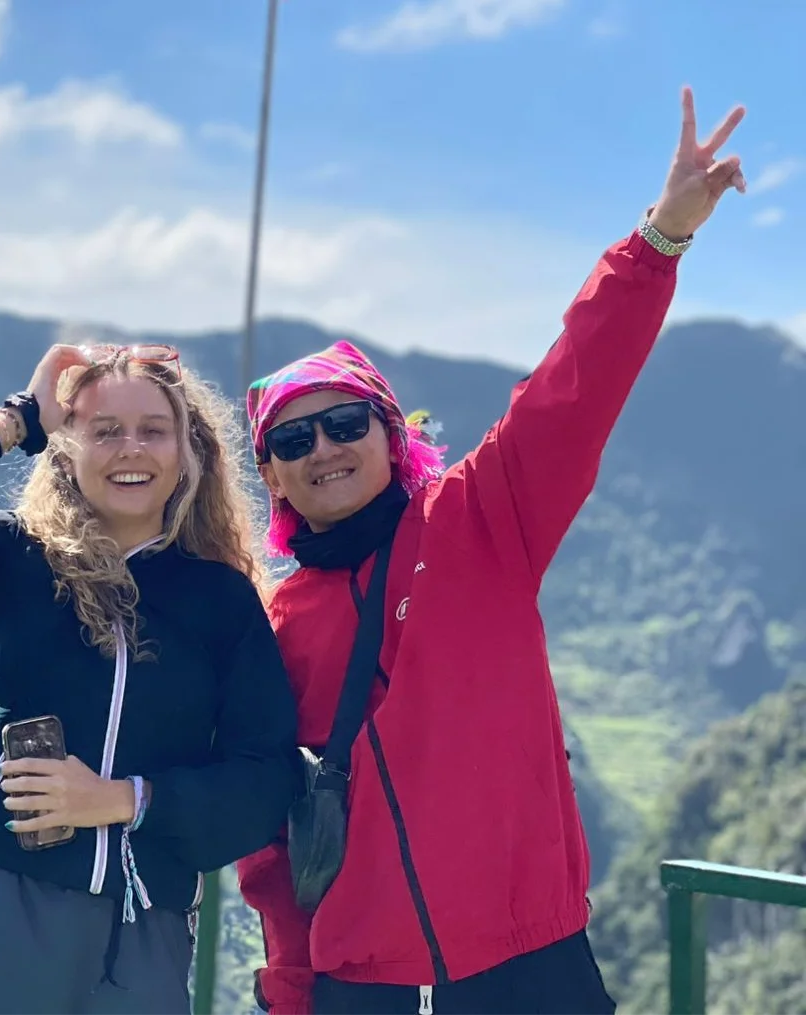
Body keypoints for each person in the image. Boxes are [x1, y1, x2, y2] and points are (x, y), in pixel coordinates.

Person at [235, 86, 746, 1015]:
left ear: (392, 433)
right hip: (361, 986)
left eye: (346, 423)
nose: (324, 449)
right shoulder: (280, 624)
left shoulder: (481, 521)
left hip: (531, 963)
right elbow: (276, 841)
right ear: (270, 473)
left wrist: (659, 239)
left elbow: (571, 390)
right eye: (294, 439)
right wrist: (292, 991)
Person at [0, 342, 300, 1014]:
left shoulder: (222, 600)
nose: (130, 449)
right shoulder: (8, 560)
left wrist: (125, 799)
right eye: (104, 430)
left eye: (153, 430)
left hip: (144, 924)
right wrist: (17, 420)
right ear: (66, 448)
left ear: (187, 452)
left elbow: (264, 777)